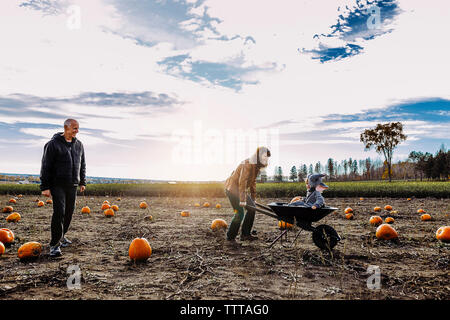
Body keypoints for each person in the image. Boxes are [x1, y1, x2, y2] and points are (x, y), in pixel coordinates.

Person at [40, 119, 86, 257]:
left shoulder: (79, 145)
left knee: (69, 213)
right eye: (74, 128)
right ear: (66, 128)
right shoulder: (52, 144)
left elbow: (82, 164)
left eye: (78, 128)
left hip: (72, 184)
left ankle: (62, 236)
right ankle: (54, 245)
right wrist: (45, 187)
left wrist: (82, 182)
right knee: (59, 212)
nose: (77, 131)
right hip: (57, 184)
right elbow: (45, 166)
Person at [224, 146, 271, 242]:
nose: (266, 159)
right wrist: (242, 200)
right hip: (232, 189)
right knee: (240, 213)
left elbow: (253, 183)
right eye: (265, 156)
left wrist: (253, 198)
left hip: (240, 190)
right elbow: (242, 181)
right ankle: (230, 237)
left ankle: (245, 234)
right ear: (258, 155)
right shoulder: (248, 163)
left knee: (252, 208)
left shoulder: (256, 166)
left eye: (267, 157)